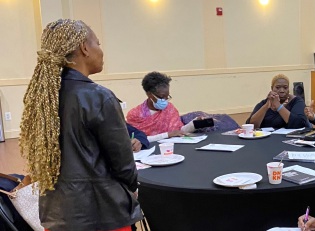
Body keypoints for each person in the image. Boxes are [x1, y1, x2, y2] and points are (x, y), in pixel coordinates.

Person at [18, 19, 142, 231]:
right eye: (98, 43)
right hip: (102, 215)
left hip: (56, 216)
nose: (101, 51)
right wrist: (131, 189)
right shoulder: (98, 97)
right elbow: (124, 167)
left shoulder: (41, 98)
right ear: (84, 48)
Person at [127, 72, 239, 141]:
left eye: (167, 96)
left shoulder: (169, 109)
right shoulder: (135, 114)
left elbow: (179, 131)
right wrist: (167, 135)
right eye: (162, 97)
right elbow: (138, 140)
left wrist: (195, 123)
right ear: (149, 94)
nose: (165, 100)